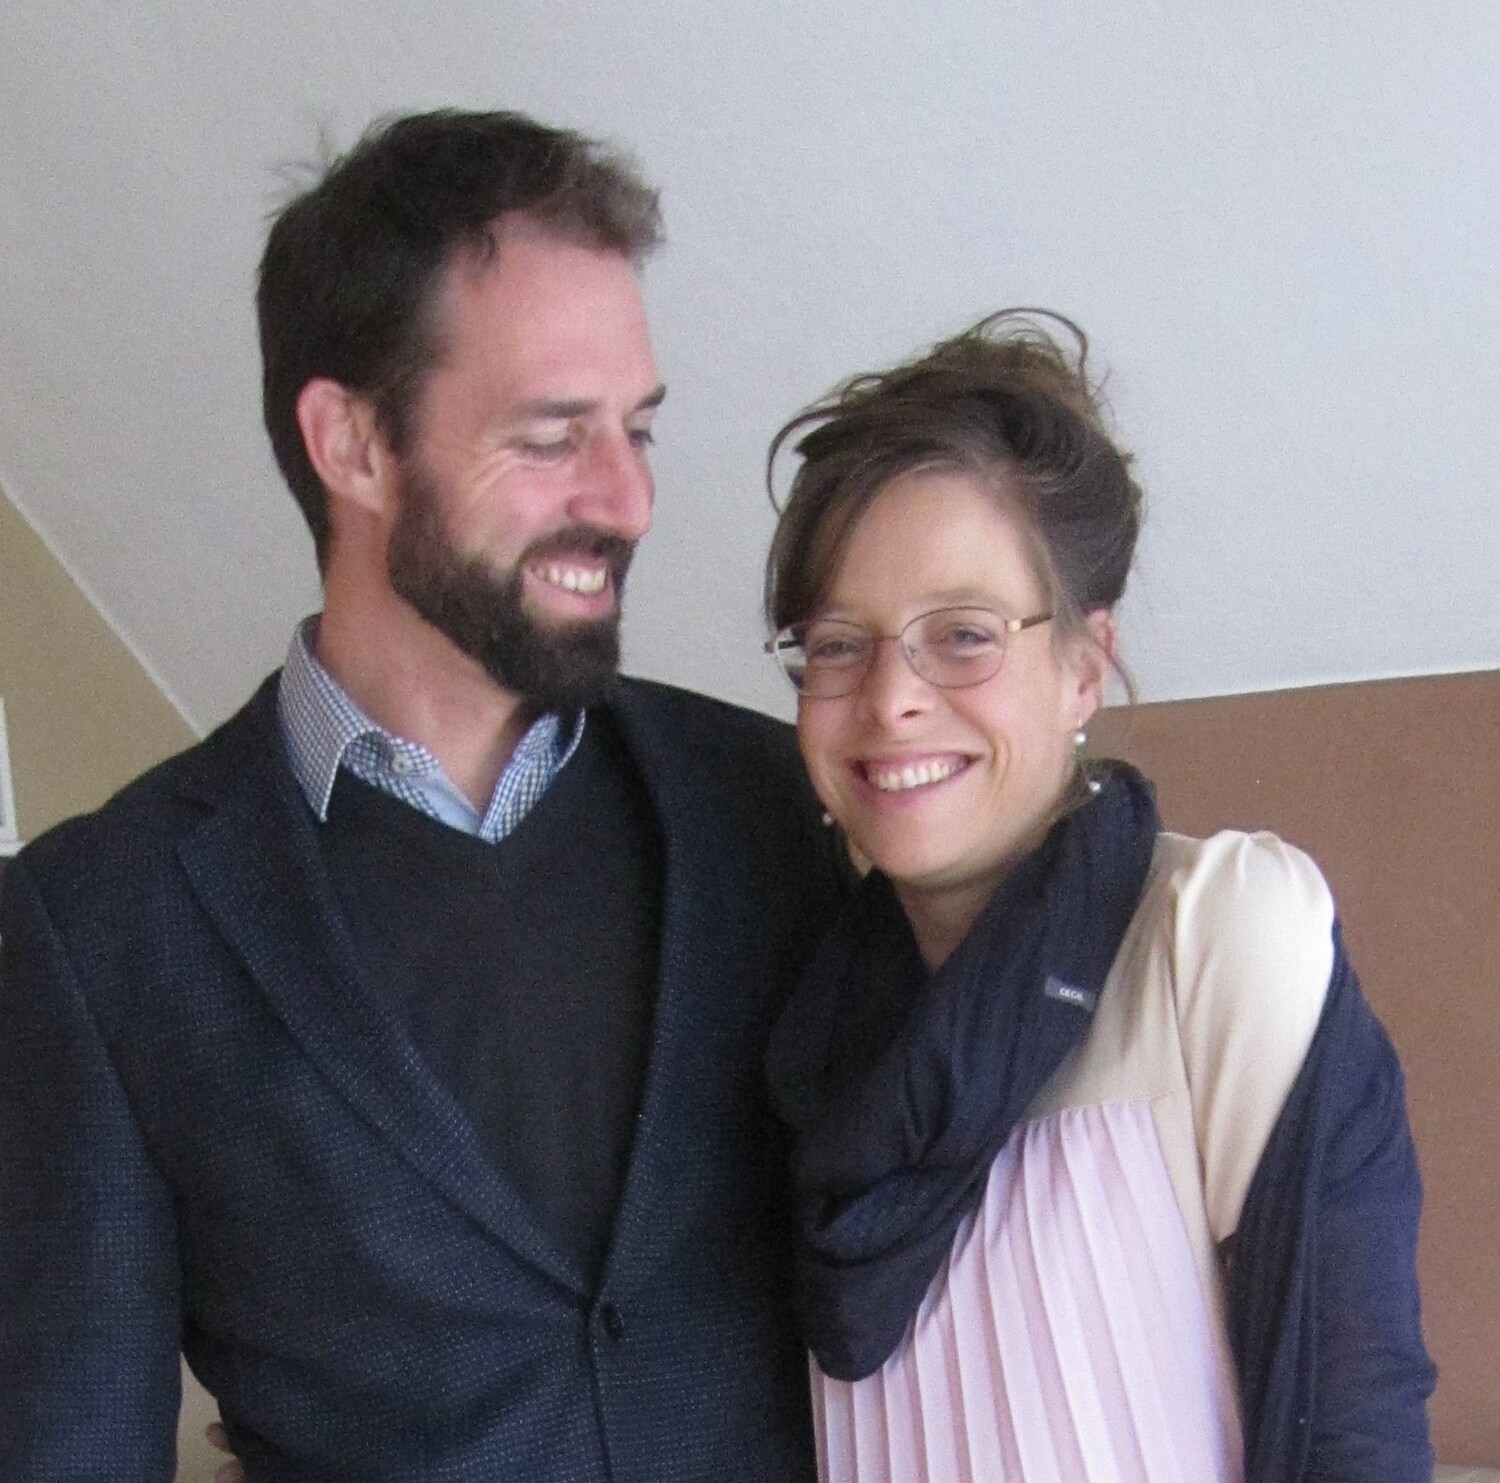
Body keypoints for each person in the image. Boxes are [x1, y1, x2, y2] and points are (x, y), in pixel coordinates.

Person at [0, 109, 840, 1481]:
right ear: (352, 444)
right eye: (553, 436)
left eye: (638, 429)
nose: (627, 498)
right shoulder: (101, 928)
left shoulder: (773, 806)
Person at [760, 311, 1436, 1482]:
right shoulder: (803, 1037)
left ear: (1083, 664)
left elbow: (1355, 1431)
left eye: (962, 635)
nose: (891, 699)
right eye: (837, 644)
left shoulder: (1210, 940)